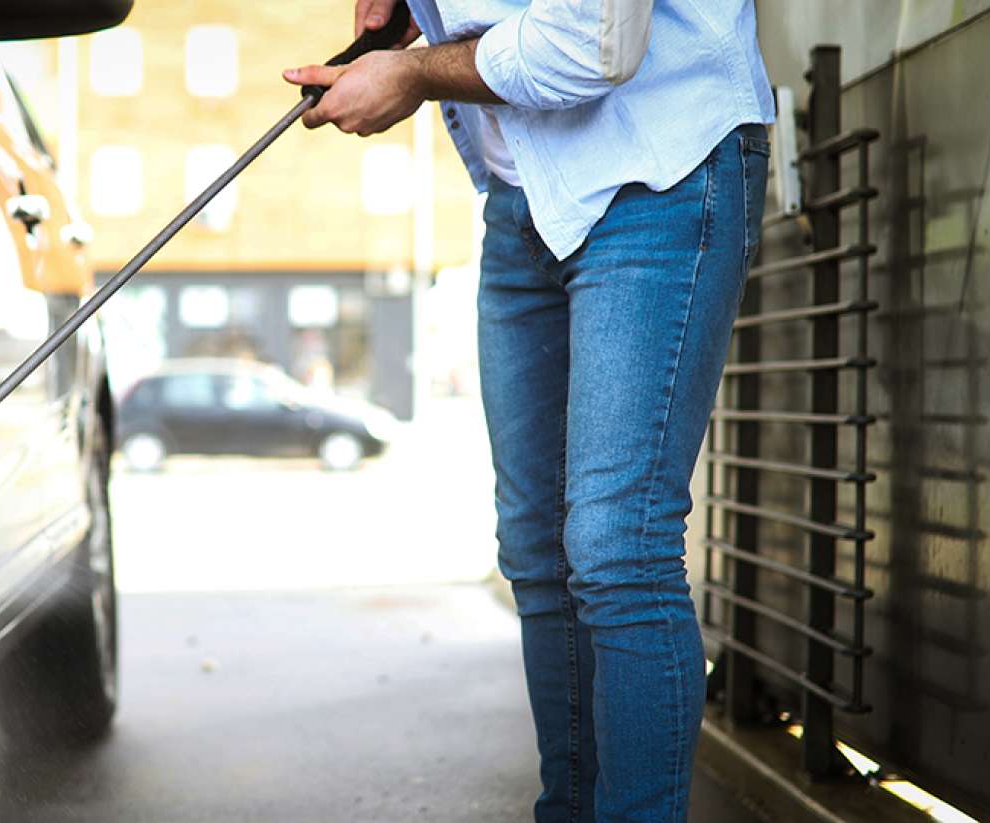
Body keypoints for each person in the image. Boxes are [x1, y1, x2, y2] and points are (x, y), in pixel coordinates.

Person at [284, 2, 773, 821]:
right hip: (523, 197)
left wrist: (409, 73)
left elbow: (593, 40)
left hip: (657, 168)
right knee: (538, 551)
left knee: (619, 546)